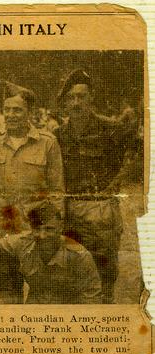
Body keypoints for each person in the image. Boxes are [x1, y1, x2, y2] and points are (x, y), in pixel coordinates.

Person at [54, 69, 135, 303]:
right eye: (71, 97)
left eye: (81, 96)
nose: (76, 102)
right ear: (65, 103)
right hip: (70, 212)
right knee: (71, 273)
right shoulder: (58, 134)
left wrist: (117, 182)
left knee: (104, 272)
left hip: (101, 212)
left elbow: (135, 155)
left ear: (91, 98)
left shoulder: (110, 128)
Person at [0, 81, 64, 235]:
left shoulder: (47, 142)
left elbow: (57, 191)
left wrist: (53, 228)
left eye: (17, 110)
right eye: (7, 110)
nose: (10, 115)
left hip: (36, 228)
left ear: (30, 113)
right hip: (3, 228)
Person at [0, 202, 102, 304]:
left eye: (49, 229)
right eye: (37, 229)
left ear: (60, 228)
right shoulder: (23, 243)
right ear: (32, 229)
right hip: (33, 312)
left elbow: (91, 299)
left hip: (68, 312)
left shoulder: (79, 256)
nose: (42, 235)